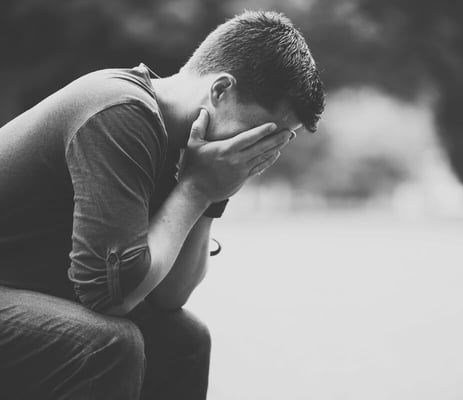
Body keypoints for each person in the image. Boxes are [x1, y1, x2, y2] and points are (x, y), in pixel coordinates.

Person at [0, 10, 325, 399]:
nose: (262, 154)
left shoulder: (188, 146)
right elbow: (111, 295)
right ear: (220, 90)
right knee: (106, 343)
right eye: (261, 134)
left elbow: (169, 296)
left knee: (184, 341)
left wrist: (212, 195)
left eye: (281, 142)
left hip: (22, 290)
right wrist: (197, 189)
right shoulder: (121, 111)